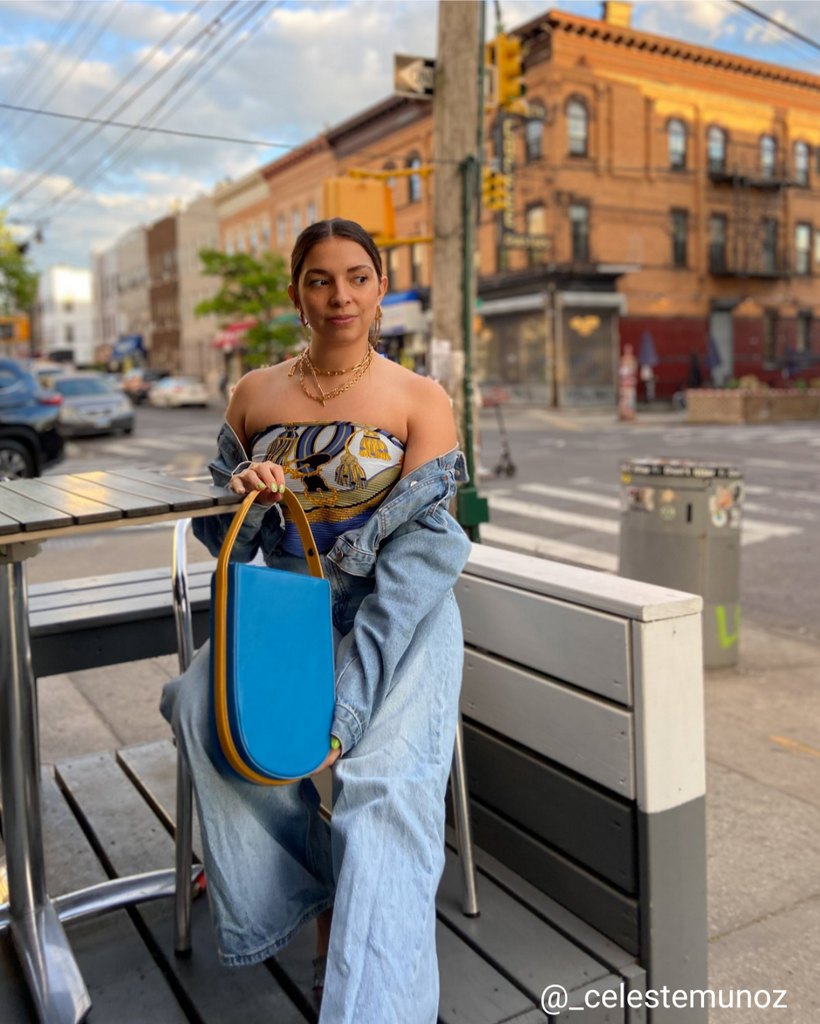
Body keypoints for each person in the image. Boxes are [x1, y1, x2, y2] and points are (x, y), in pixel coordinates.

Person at [159, 217, 472, 1024]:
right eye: (321, 279)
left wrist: (351, 707)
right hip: (290, 610)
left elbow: (421, 566)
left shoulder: (420, 399)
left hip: (403, 620)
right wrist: (247, 496)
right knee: (198, 707)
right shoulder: (253, 393)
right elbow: (211, 534)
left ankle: (371, 1004)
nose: (341, 296)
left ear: (380, 288)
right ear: (297, 293)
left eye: (358, 277)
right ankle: (309, 892)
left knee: (379, 784)